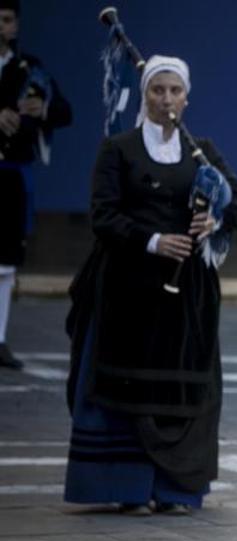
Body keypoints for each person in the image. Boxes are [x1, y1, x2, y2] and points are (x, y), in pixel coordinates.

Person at [63, 56, 237, 514]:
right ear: (146, 94)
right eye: (157, 90)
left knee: (179, 389)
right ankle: (125, 485)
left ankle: (174, 489)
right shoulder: (119, 148)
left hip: (187, 296)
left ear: (186, 98)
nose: (166, 99)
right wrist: (151, 241)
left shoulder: (201, 151)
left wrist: (217, 219)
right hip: (127, 290)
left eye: (174, 91)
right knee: (125, 389)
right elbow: (103, 216)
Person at [0, 0, 72, 370]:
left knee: (7, 262)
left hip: (11, 174)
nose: (2, 27)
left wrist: (39, 110)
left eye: (8, 20)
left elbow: (64, 111)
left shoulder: (31, 70)